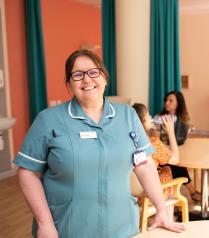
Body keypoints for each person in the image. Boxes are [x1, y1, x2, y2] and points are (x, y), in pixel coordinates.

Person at [13, 49, 185, 238]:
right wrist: (45, 224)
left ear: (104, 78)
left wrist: (161, 208)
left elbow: (144, 164)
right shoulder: (48, 120)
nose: (87, 80)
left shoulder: (128, 116)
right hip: (67, 228)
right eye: (77, 75)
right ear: (69, 84)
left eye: (93, 72)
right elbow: (28, 173)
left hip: (122, 228)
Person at [132, 103, 178, 203]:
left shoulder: (126, 142)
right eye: (148, 115)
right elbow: (175, 159)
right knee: (167, 170)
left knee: (164, 169)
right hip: (150, 197)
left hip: (129, 196)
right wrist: (171, 132)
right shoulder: (152, 144)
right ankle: (167, 216)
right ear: (143, 121)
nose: (150, 117)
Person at [158, 91, 199, 201]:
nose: (167, 103)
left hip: (176, 151)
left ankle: (186, 192)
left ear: (178, 103)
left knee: (176, 163)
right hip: (162, 153)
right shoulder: (160, 118)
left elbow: (182, 139)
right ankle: (192, 191)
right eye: (166, 100)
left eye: (170, 100)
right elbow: (156, 139)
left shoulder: (184, 120)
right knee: (176, 165)